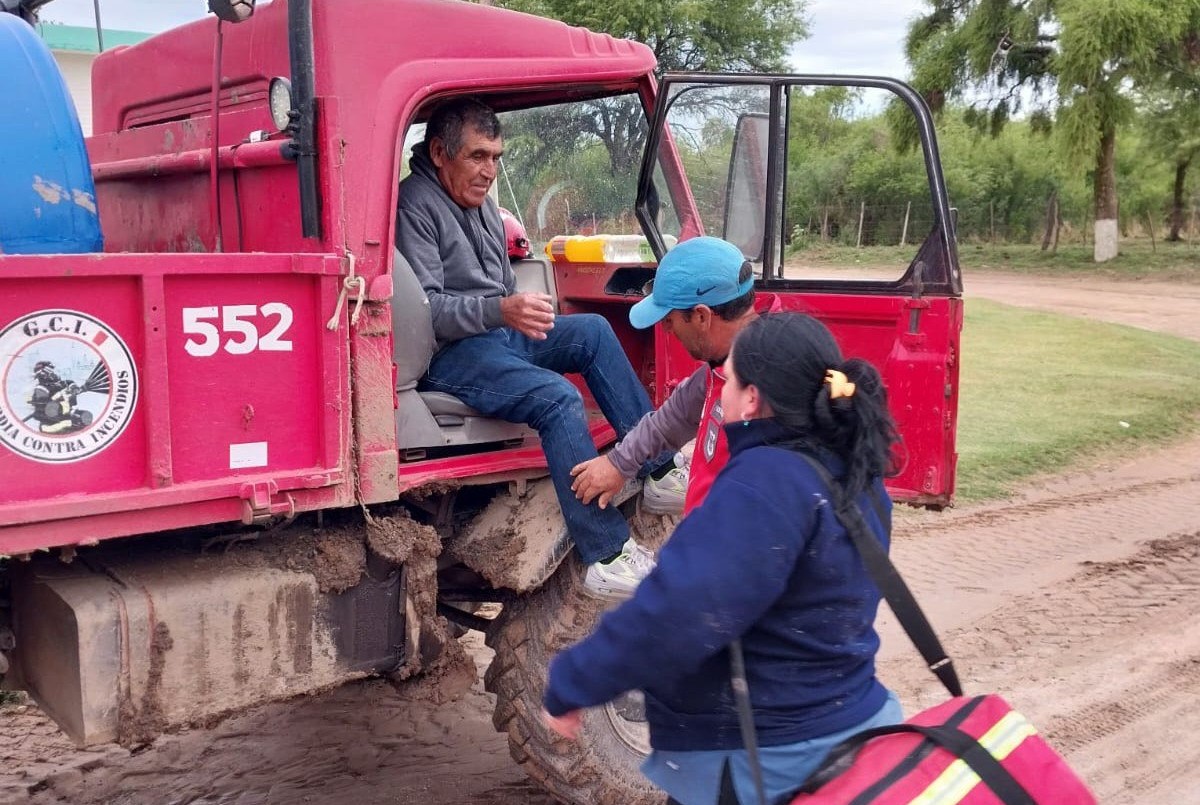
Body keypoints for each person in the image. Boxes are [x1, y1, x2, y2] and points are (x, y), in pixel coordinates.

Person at [542, 311, 905, 805]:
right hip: (855, 724)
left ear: (751, 398)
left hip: (769, 758)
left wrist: (572, 680)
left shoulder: (765, 484)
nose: (721, 390)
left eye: (729, 380)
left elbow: (678, 612)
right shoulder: (854, 469)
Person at [395, 97, 675, 599]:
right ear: (439, 152)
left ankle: (657, 467)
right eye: (478, 156)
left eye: (496, 157)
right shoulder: (414, 205)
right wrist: (501, 310)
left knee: (591, 331)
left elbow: (497, 284)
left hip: (497, 335)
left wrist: (517, 309)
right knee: (557, 398)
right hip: (451, 354)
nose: (488, 170)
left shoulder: (479, 203)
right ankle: (605, 553)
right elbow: (425, 310)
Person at [570, 236, 780, 517]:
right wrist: (618, 463)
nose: (667, 330)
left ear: (702, 317)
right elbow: (671, 420)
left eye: (669, 320)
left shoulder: (775, 392)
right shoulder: (721, 369)